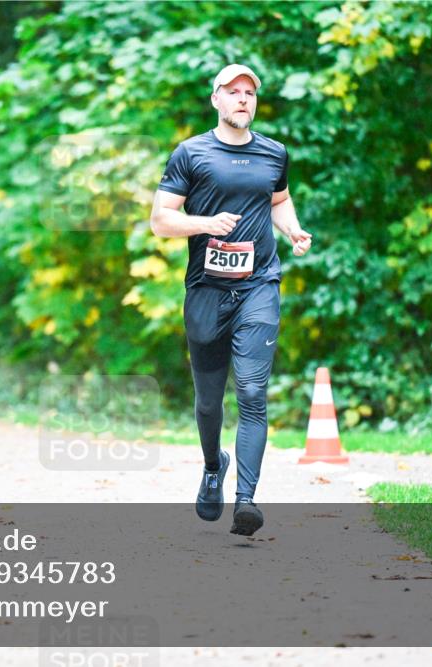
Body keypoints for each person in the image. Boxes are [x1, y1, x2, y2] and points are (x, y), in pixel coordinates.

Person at [150, 64, 312, 536]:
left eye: (249, 93)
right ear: (216, 100)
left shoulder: (274, 153)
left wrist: (292, 229)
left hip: (259, 285)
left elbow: (278, 200)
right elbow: (161, 220)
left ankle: (246, 500)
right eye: (233, 92)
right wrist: (205, 224)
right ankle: (211, 465)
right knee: (207, 403)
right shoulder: (191, 153)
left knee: (253, 394)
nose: (243, 99)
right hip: (206, 289)